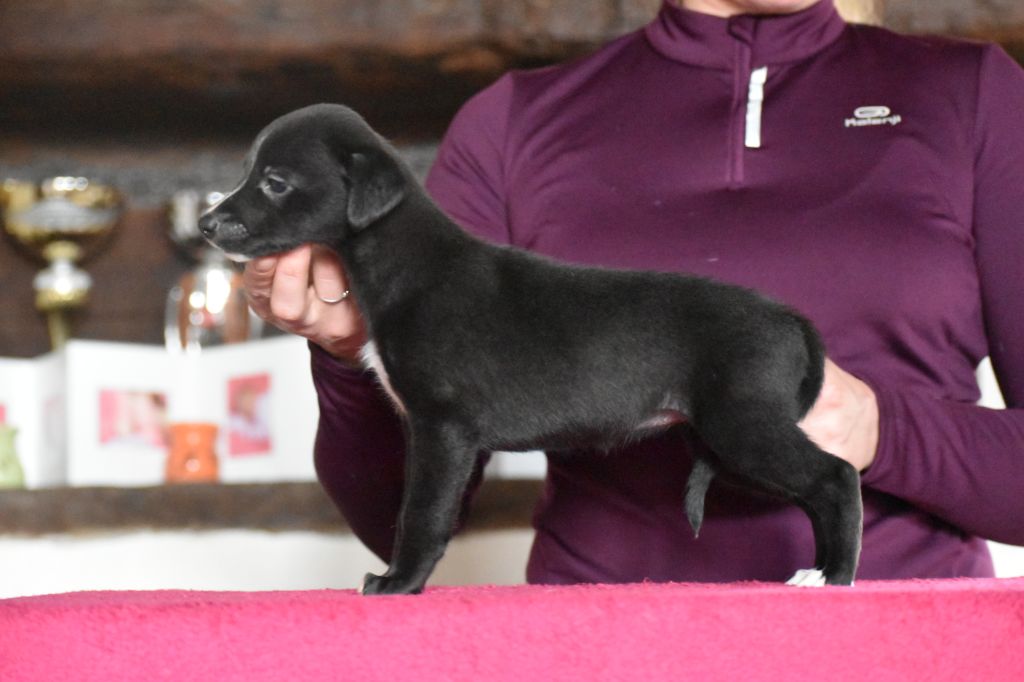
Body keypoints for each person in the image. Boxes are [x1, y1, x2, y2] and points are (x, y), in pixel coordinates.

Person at [243, 0, 1024, 583]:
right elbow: (398, 520)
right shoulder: (511, 124)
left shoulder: (976, 96)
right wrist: (357, 352)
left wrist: (880, 429)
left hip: (902, 646)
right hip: (597, 648)